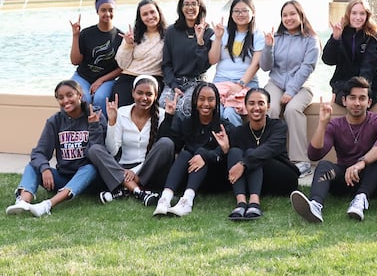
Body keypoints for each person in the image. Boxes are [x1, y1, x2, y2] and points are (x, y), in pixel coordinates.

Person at [290, 76, 377, 223]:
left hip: (372, 183)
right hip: (344, 180)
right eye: (352, 98)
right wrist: (322, 124)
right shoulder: (335, 125)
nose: (357, 103)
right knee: (324, 165)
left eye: (362, 98)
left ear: (369, 102)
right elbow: (314, 154)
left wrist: (362, 162)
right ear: (345, 101)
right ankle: (315, 205)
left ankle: (360, 201)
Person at [6, 80, 106, 217]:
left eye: (70, 95)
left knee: (90, 167)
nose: (66, 100)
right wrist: (45, 168)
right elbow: (39, 152)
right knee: (33, 165)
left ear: (80, 95)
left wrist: (94, 126)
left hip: (90, 179)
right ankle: (23, 202)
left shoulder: (96, 116)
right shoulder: (55, 121)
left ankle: (47, 205)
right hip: (65, 177)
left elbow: (97, 152)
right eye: (60, 97)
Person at [87, 75, 176, 206]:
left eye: (149, 94)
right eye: (139, 93)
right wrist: (112, 122)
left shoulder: (163, 115)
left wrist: (134, 172)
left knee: (166, 144)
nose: (144, 98)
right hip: (122, 168)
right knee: (94, 150)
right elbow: (112, 151)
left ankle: (124, 188)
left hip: (149, 171)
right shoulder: (121, 113)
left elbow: (164, 153)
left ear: (156, 95)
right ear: (133, 93)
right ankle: (139, 192)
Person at [153, 82, 235, 217]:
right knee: (185, 153)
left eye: (210, 99)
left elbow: (226, 156)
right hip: (192, 177)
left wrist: (210, 154)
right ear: (195, 101)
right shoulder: (187, 123)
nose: (206, 104)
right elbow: (171, 144)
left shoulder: (224, 127)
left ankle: (187, 201)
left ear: (217, 102)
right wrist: (169, 117)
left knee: (200, 153)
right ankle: (165, 198)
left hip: (215, 179)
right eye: (201, 99)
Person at [217, 88, 299, 220]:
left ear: (268, 106)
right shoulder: (238, 132)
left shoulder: (278, 126)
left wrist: (244, 164)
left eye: (261, 103)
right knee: (234, 151)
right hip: (255, 182)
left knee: (252, 153)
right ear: (245, 106)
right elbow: (232, 163)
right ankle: (241, 203)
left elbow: (269, 149)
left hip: (282, 178)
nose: (256, 107)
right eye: (251, 103)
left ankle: (255, 203)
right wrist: (226, 150)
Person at [260, 0, 320, 177]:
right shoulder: (276, 38)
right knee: (269, 109)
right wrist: (268, 47)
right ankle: (268, 155)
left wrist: (291, 91)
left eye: (292, 14)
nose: (288, 18)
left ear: (301, 15)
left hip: (302, 85)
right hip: (276, 82)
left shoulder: (311, 40)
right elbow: (265, 67)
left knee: (292, 110)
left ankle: (301, 161)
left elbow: (307, 68)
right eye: (285, 15)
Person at [209, 0, 265, 126]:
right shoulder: (223, 31)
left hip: (246, 84)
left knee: (229, 112)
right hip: (221, 82)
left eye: (245, 11)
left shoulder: (257, 35)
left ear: (253, 12)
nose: (241, 14)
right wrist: (217, 38)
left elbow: (256, 65)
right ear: (231, 13)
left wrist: (239, 85)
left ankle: (236, 143)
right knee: (217, 111)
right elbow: (212, 60)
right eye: (236, 11)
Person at [159, 0, 214, 119]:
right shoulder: (172, 31)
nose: (190, 7)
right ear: (181, 8)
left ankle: (183, 139)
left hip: (197, 81)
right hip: (175, 81)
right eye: (186, 4)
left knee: (185, 107)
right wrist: (173, 85)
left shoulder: (208, 33)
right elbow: (166, 64)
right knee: (163, 105)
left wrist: (200, 42)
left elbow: (203, 67)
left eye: (194, 4)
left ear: (200, 7)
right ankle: (165, 137)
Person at [70, 0, 123, 117]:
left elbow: (122, 67)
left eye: (111, 10)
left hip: (106, 79)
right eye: (103, 10)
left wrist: (101, 80)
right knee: (83, 99)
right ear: (97, 11)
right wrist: (76, 36)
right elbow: (75, 61)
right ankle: (82, 132)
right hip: (82, 77)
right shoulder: (86, 34)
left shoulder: (120, 37)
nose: (107, 13)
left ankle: (101, 131)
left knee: (100, 99)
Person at [322, 0, 377, 105]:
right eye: (354, 13)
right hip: (342, 85)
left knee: (358, 100)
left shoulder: (374, 37)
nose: (358, 17)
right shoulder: (340, 33)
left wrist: (359, 89)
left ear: (367, 16)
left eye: (362, 14)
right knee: (350, 100)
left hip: (367, 86)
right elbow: (328, 60)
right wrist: (335, 39)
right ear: (348, 14)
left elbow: (369, 66)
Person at [112, 0, 167, 107]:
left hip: (154, 77)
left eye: (152, 12)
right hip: (130, 76)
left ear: (158, 13)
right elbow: (122, 64)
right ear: (140, 18)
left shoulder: (168, 34)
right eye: (145, 14)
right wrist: (128, 45)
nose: (150, 16)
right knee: (122, 108)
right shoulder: (134, 34)